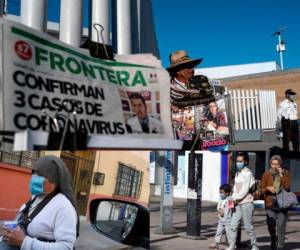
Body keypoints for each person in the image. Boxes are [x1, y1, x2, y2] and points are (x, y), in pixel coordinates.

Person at [0, 155, 79, 250]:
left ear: (54, 181)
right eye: (34, 172)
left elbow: (66, 247)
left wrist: (24, 242)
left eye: (41, 174)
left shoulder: (64, 207)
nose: (34, 177)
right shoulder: (36, 197)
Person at [226, 152, 259, 250]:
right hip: (236, 203)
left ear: (245, 162)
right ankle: (232, 245)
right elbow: (236, 189)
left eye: (240, 161)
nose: (238, 163)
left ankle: (254, 246)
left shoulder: (248, 174)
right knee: (233, 225)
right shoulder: (237, 173)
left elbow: (244, 190)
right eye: (237, 161)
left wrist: (236, 200)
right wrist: (232, 199)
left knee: (248, 227)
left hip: (246, 203)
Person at [261, 155, 291, 250]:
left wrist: (281, 175)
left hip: (282, 205)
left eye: (277, 164)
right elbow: (261, 189)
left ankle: (280, 246)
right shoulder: (266, 174)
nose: (274, 166)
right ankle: (273, 238)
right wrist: (267, 188)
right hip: (270, 204)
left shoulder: (285, 173)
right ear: (270, 164)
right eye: (272, 164)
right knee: (271, 224)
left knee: (281, 226)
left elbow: (287, 187)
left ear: (280, 165)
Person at [210, 184, 232, 250]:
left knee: (229, 234)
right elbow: (219, 207)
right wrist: (219, 211)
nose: (220, 194)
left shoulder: (230, 200)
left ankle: (232, 245)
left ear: (227, 193)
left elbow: (230, 209)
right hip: (221, 220)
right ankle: (216, 243)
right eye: (220, 192)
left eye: (222, 192)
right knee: (218, 232)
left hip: (228, 221)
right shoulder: (220, 199)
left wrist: (224, 212)